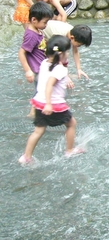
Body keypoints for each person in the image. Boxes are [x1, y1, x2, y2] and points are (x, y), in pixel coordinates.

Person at [18, 35, 85, 165]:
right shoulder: (60, 69)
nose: (68, 55)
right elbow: (49, 84)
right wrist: (49, 104)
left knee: (39, 130)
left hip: (39, 102)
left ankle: (26, 156)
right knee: (71, 124)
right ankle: (69, 150)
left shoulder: (44, 63)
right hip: (53, 104)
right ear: (61, 54)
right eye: (67, 52)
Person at [18, 2, 54, 117]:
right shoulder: (31, 35)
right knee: (42, 90)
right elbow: (22, 52)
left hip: (42, 67)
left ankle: (38, 110)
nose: (46, 25)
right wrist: (28, 71)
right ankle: (33, 113)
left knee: (42, 89)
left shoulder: (37, 31)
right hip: (37, 69)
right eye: (45, 22)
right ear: (34, 20)